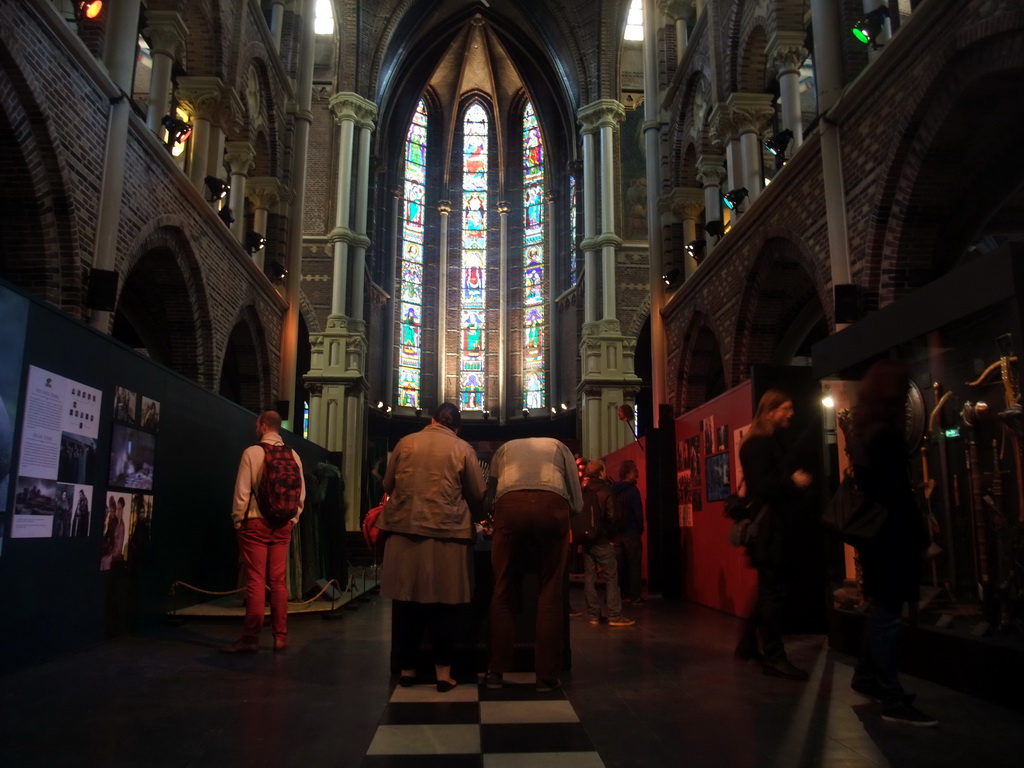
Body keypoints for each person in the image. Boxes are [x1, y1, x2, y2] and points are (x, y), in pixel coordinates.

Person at [848, 360, 937, 726]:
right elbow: (897, 493)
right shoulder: (884, 435)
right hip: (891, 536)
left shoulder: (863, 431)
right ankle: (891, 697)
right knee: (887, 617)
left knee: (882, 611)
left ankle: (867, 676)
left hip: (875, 537)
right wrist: (920, 536)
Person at [375, 402, 486, 692]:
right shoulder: (463, 448)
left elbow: (387, 485)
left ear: (433, 419)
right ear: (457, 427)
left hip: (404, 532)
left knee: (405, 605)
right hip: (447, 535)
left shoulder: (405, 442)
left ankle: (408, 670)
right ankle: (443, 674)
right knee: (445, 606)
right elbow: (477, 493)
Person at [484, 437, 584, 692]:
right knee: (550, 592)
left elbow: (490, 495)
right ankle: (546, 678)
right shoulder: (559, 447)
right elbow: (578, 501)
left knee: (502, 588)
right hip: (553, 505)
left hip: (510, 507)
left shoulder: (504, 447)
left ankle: (496, 672)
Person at [736, 389, 812, 680]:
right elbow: (763, 486)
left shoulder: (767, 443)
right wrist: (794, 482)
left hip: (775, 529)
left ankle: (747, 645)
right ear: (769, 412)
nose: (791, 413)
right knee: (774, 595)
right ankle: (775, 657)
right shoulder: (758, 445)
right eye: (786, 408)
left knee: (771, 592)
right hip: (770, 531)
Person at [221, 410, 305, 654]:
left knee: (256, 581)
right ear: (278, 428)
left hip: (255, 524)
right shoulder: (294, 455)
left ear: (262, 425)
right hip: (282, 525)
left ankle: (250, 639)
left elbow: (242, 492)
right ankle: (280, 637)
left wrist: (239, 521)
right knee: (278, 581)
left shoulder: (252, 452)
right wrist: (293, 519)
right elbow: (301, 494)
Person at [581, 459, 635, 627]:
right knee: (611, 577)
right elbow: (612, 517)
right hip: (603, 539)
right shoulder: (607, 490)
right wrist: (612, 538)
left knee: (590, 577)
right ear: (601, 472)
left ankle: (593, 615)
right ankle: (614, 615)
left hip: (587, 539)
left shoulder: (583, 490)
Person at [613, 459, 645, 604]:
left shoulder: (613, 489)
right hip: (631, 532)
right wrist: (640, 529)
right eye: (635, 471)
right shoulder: (633, 491)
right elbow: (638, 513)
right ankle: (635, 596)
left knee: (619, 566)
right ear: (630, 473)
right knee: (634, 565)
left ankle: (619, 594)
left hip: (617, 533)